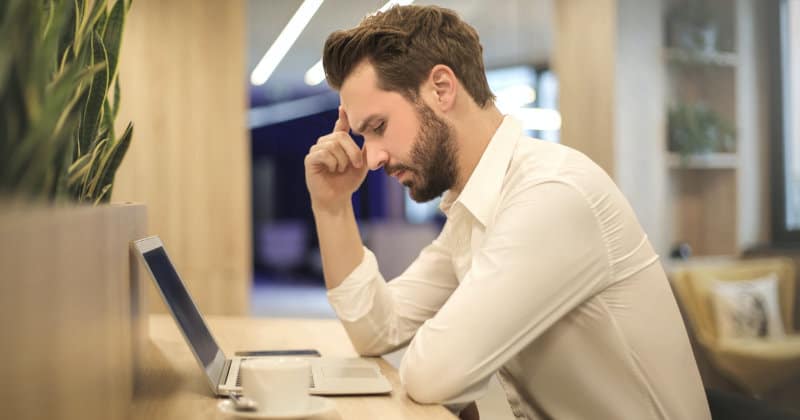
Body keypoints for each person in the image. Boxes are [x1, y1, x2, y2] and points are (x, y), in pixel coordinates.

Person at [303, 5, 711, 420]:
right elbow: (377, 329)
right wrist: (332, 205)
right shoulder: (474, 210)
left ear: (442, 89)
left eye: (379, 126)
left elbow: (433, 374)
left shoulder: (551, 195)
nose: (371, 158)